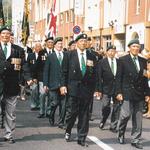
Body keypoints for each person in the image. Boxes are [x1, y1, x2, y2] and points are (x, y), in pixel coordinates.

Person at [60, 33, 97, 146]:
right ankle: (68, 129)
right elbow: (64, 72)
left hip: (86, 90)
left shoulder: (91, 56)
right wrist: (63, 85)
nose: (83, 43)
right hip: (73, 89)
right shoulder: (69, 55)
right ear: (76, 43)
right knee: (72, 113)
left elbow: (95, 74)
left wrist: (96, 89)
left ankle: (81, 138)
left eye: (85, 41)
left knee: (84, 115)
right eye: (81, 41)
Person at [0, 26, 32, 143]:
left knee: (11, 112)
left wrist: (28, 78)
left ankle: (9, 135)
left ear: (10, 36)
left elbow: (24, 65)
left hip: (12, 85)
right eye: (3, 33)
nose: (5, 35)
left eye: (7, 34)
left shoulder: (18, 50)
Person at [116, 39, 150, 149]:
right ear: (129, 47)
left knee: (138, 117)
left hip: (139, 92)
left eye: (137, 46)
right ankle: (121, 133)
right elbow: (118, 78)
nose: (136, 48)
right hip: (127, 91)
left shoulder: (143, 60)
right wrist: (119, 92)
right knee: (125, 115)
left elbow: (145, 78)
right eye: (134, 46)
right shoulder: (122, 60)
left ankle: (135, 139)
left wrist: (147, 93)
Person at [95, 45, 121, 132]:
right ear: (107, 52)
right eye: (110, 51)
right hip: (105, 88)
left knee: (117, 107)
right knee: (105, 106)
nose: (112, 53)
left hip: (117, 89)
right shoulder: (102, 62)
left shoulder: (119, 62)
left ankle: (113, 125)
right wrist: (98, 90)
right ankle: (103, 119)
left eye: (113, 51)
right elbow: (98, 77)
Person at [43, 37, 66, 128]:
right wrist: (45, 84)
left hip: (63, 85)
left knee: (63, 104)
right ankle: (51, 114)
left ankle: (61, 122)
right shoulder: (50, 56)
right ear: (55, 45)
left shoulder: (66, 55)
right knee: (54, 103)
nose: (60, 45)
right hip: (53, 84)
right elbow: (46, 71)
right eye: (58, 44)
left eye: (61, 44)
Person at [37, 37, 54, 118]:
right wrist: (35, 77)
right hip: (42, 77)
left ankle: (49, 111)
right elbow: (38, 65)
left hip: (52, 78)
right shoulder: (41, 52)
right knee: (43, 94)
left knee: (50, 95)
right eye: (49, 42)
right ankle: (41, 111)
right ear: (46, 43)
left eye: (52, 42)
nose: (50, 44)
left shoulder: (55, 52)